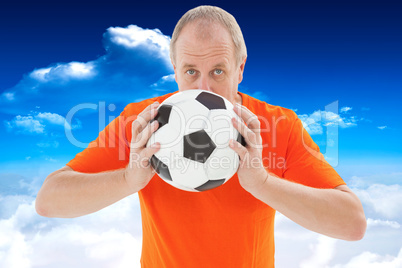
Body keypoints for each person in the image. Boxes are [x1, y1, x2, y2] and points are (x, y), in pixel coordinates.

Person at [36, 5, 366, 267]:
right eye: (191, 71)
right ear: (175, 68)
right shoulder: (143, 123)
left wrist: (262, 184)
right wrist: (128, 178)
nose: (203, 89)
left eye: (218, 71)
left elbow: (352, 224)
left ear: (240, 68)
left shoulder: (279, 124)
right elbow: (48, 201)